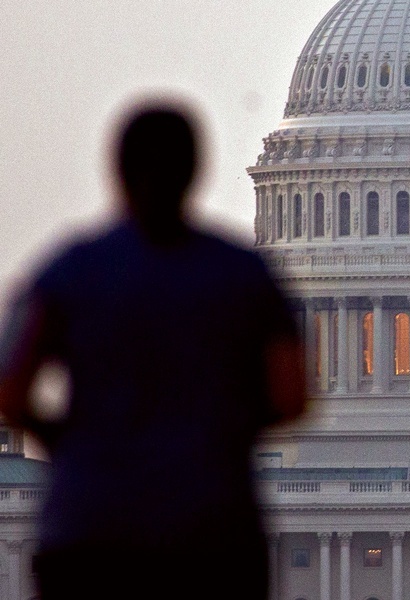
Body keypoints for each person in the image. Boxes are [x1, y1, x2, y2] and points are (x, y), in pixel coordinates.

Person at [0, 103, 307, 599]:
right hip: (208, 530)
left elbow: (11, 390)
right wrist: (215, 437)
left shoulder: (69, 270)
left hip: (91, 529)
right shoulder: (243, 276)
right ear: (196, 172)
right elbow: (293, 398)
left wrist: (73, 441)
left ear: (117, 172)